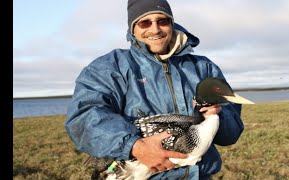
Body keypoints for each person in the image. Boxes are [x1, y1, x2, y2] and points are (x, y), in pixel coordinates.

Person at [65, 0, 244, 179]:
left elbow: (231, 135)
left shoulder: (203, 68)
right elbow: (84, 117)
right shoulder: (110, 68)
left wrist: (216, 116)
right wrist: (135, 146)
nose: (155, 29)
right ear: (132, 28)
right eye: (145, 22)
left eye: (162, 21)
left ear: (171, 24)